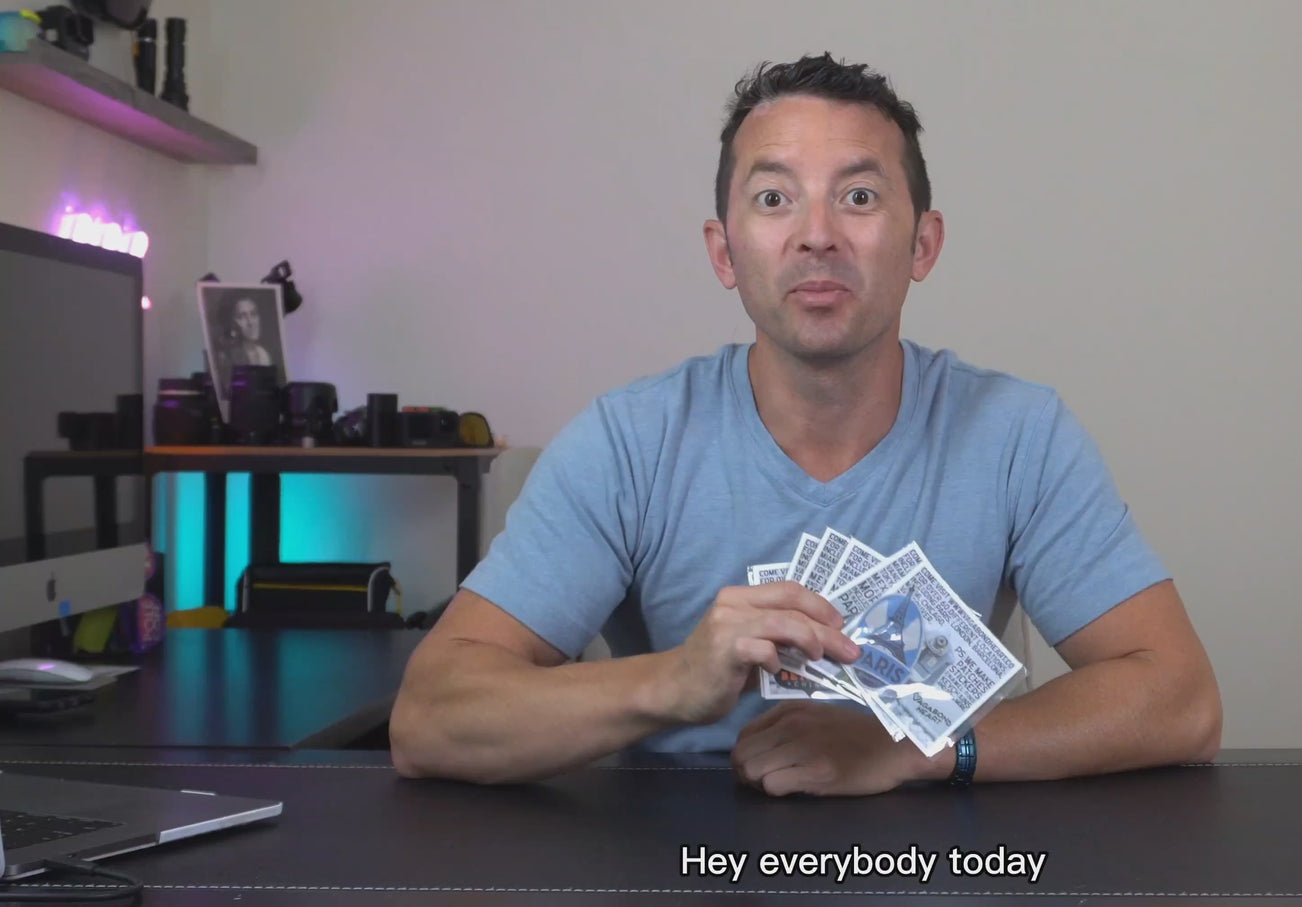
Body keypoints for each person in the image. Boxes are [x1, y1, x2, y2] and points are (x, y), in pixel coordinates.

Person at [389, 54, 1222, 795]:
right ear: (725, 252)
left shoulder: (1018, 435)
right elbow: (428, 719)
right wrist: (671, 681)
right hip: (677, 863)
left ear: (922, 245)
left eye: (858, 197)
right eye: (774, 199)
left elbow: (1182, 700)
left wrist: (915, 750)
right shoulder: (628, 444)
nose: (817, 235)